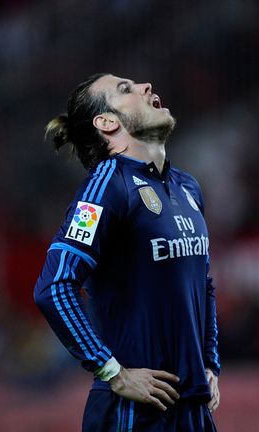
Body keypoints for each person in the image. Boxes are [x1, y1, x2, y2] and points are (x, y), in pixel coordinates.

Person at [33, 73, 220, 431]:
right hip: (133, 414)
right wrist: (112, 371)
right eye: (125, 89)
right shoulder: (107, 185)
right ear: (107, 122)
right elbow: (54, 286)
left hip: (194, 409)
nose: (146, 86)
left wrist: (209, 363)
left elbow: (203, 285)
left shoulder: (187, 187)